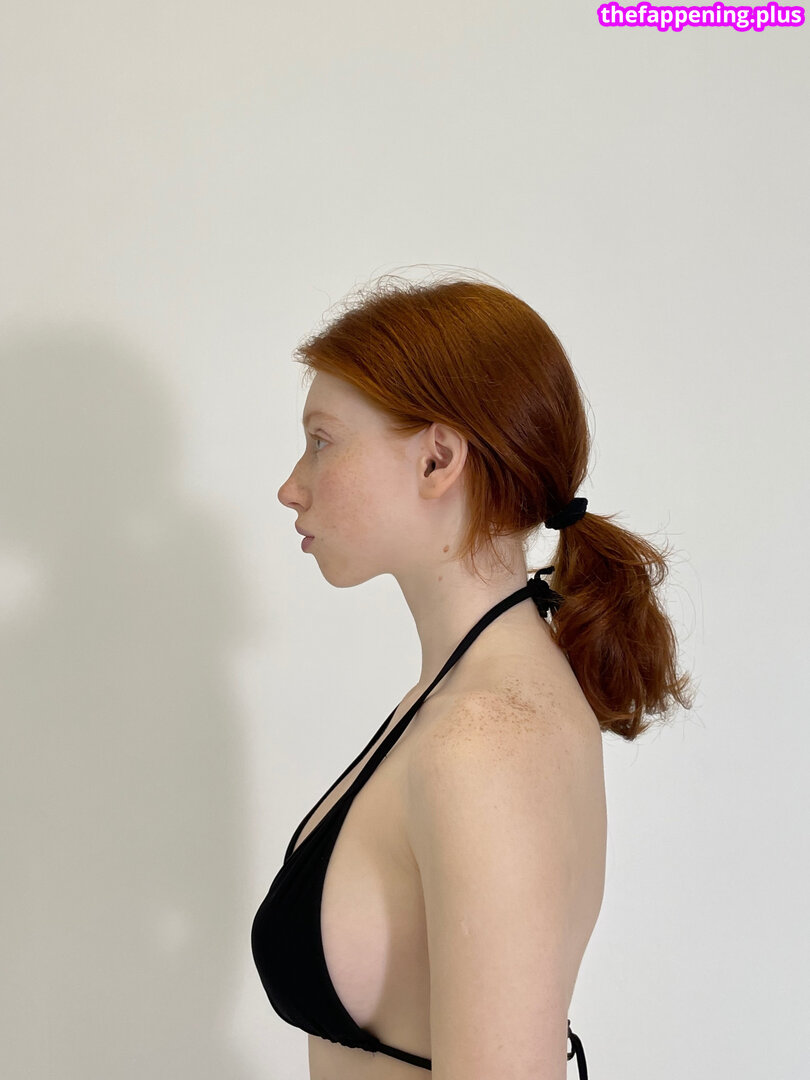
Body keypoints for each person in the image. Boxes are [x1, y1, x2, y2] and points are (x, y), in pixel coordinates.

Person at [252, 273, 694, 1079]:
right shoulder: (463, 700)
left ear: (437, 460)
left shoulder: (485, 740)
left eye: (322, 440)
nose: (291, 485)